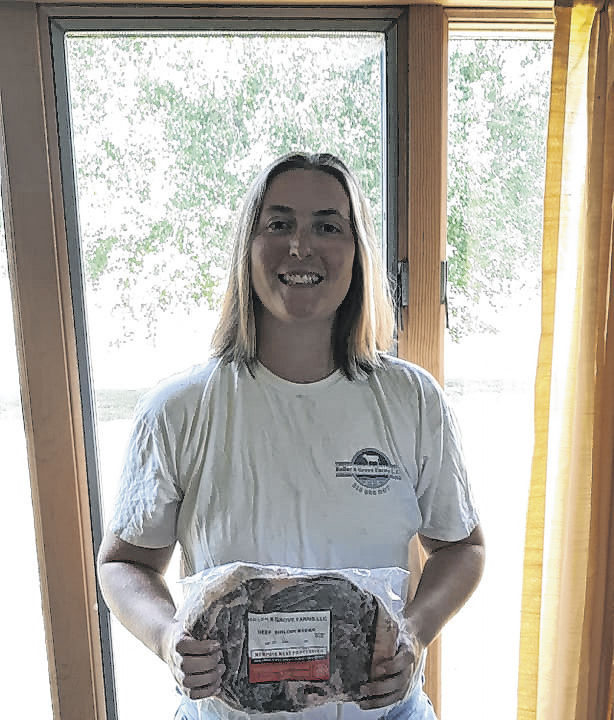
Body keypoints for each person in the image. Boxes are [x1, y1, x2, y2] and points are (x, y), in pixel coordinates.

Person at [98, 152, 485, 720]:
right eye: (278, 223)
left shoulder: (413, 399)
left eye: (328, 225)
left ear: (357, 254)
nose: (301, 246)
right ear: (246, 249)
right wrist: (166, 637)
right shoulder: (179, 409)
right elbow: (123, 564)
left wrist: (415, 630)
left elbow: (463, 547)